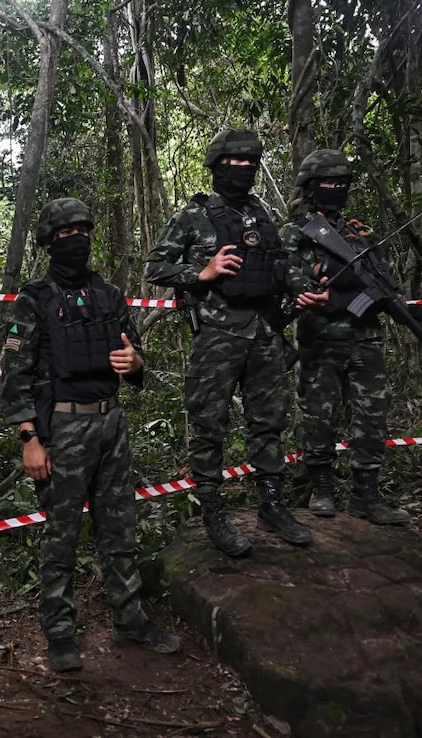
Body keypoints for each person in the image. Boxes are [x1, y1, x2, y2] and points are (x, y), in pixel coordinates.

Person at [0, 197, 180, 672]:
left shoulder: (109, 294)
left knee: (118, 527)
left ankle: (130, 618)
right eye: (64, 233)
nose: (75, 239)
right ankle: (59, 632)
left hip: (110, 423)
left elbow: (134, 355)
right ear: (48, 242)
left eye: (82, 230)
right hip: (62, 427)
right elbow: (13, 373)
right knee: (61, 535)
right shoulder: (34, 299)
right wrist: (30, 439)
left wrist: (135, 364)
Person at [143, 128, 329, 556]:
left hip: (265, 334)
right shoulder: (193, 216)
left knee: (269, 424)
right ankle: (213, 512)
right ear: (216, 166)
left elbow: (279, 268)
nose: (243, 169)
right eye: (234, 162)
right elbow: (155, 266)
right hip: (218, 338)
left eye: (250, 162)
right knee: (209, 426)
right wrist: (200, 272)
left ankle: (272, 504)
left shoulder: (262, 214)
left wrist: (305, 288)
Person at [280, 149, 412, 525]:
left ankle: (366, 496)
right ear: (309, 187)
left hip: (366, 337)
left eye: (342, 183)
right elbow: (289, 278)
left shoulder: (359, 232)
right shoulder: (296, 233)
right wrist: (317, 288)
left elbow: (382, 277)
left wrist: (401, 304)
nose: (335, 188)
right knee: (319, 414)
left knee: (372, 416)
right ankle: (321, 489)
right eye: (327, 183)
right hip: (321, 337)